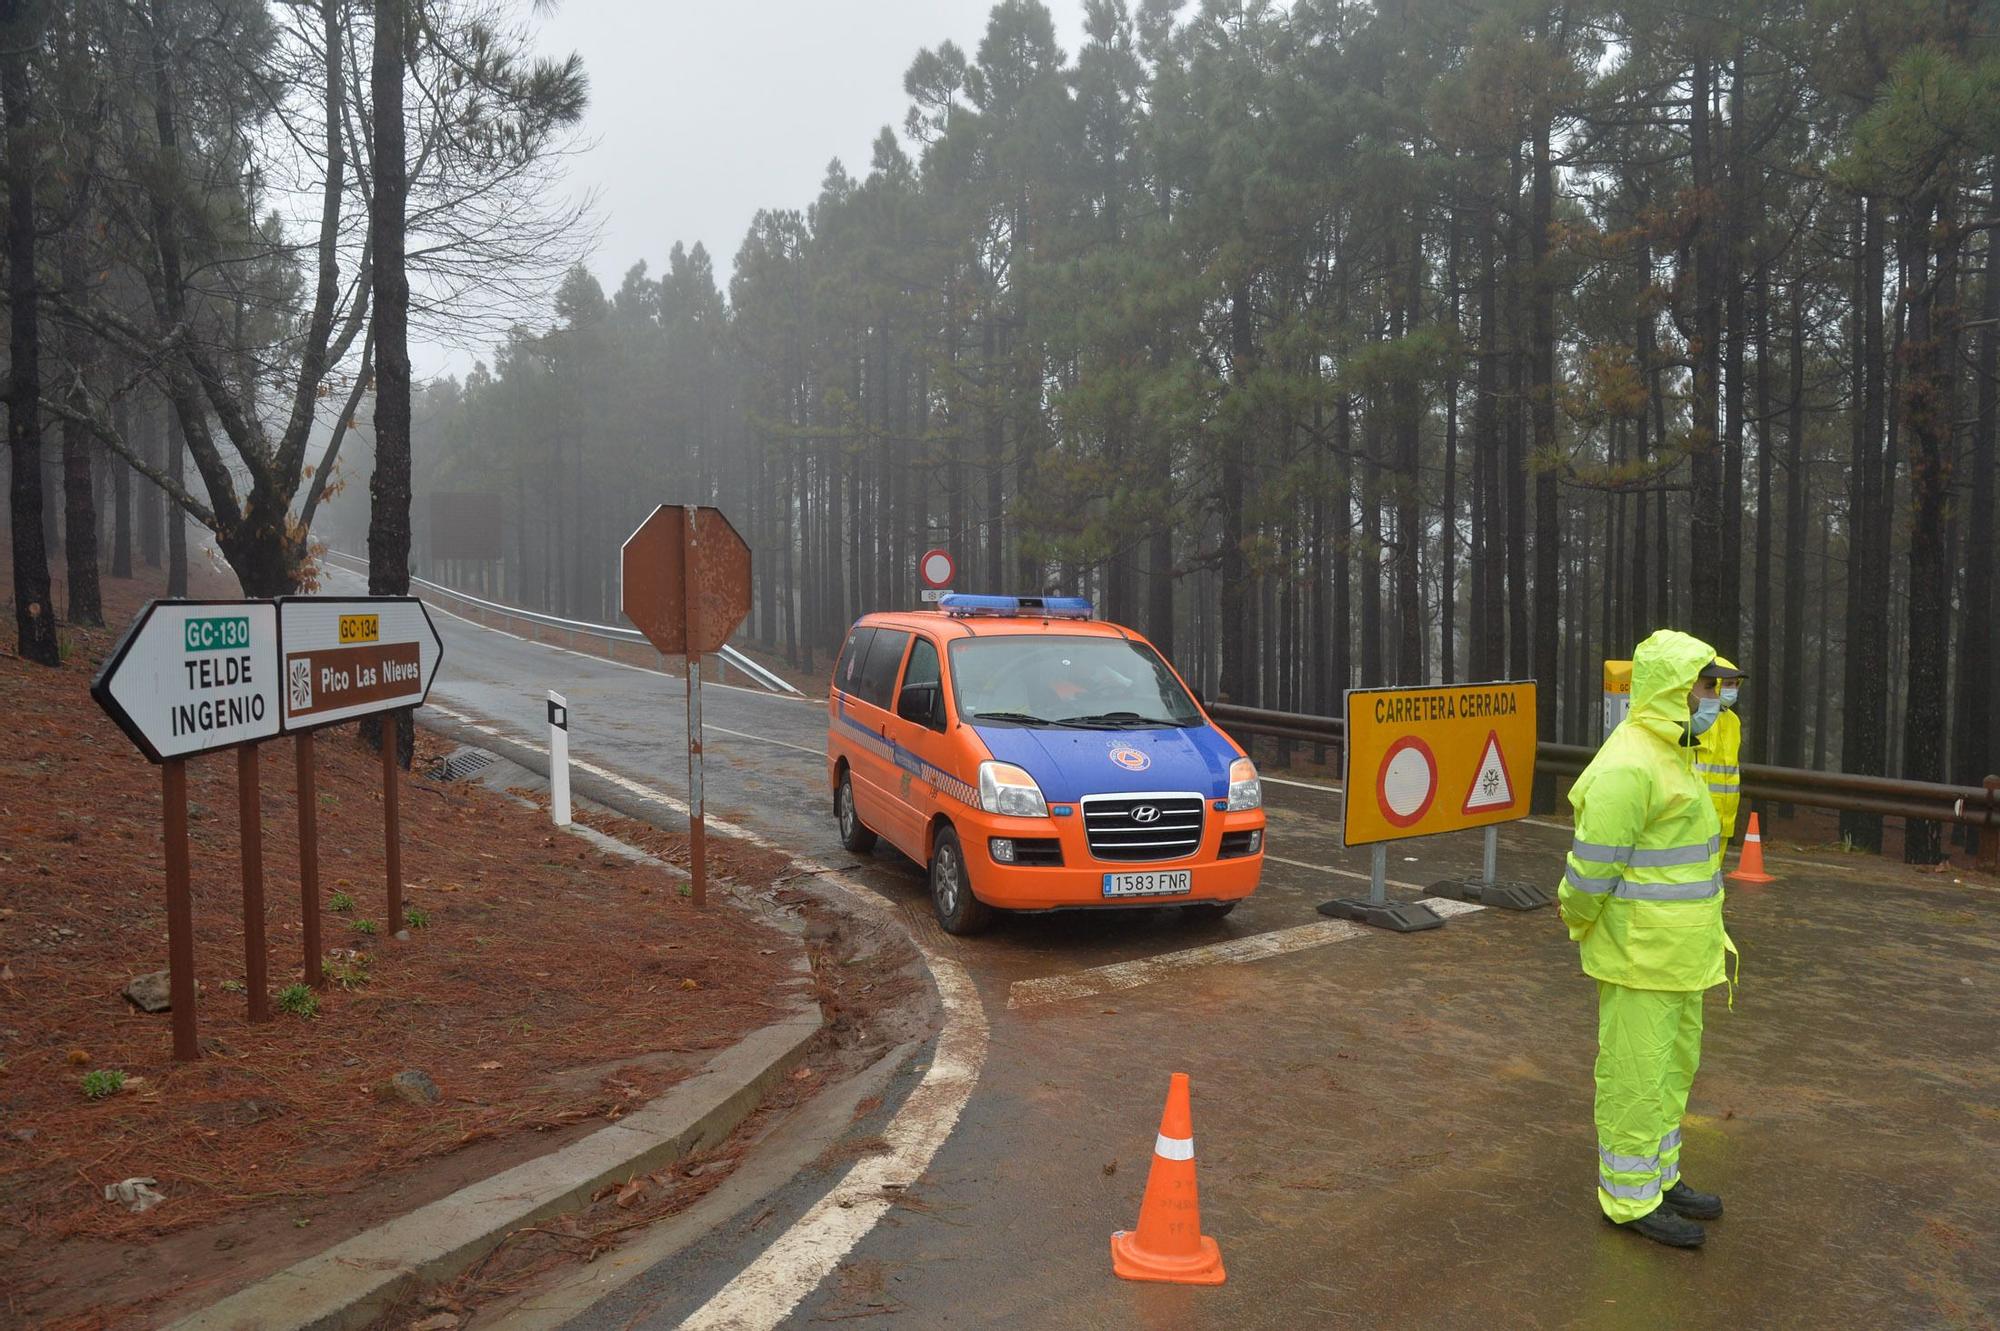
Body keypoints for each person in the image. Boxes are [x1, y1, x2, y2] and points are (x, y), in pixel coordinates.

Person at [1558, 628, 1737, 1249]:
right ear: (1673, 690)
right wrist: (1579, 921)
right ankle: (1629, 1201)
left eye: (1714, 686)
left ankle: (1660, 1178)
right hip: (1641, 959)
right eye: (1705, 686)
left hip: (1682, 958)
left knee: (1670, 1073)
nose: (1715, 697)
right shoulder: (1629, 762)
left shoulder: (1674, 752)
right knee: (1635, 1078)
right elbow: (1590, 871)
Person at [1694, 657, 1747, 839]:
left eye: (1734, 684)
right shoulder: (1700, 719)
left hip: (1725, 816)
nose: (1731, 690)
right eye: (1726, 684)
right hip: (1698, 815)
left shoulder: (1733, 721)